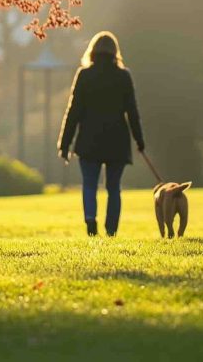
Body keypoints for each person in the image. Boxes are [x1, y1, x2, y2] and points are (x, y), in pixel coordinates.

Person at [57, 31, 145, 237]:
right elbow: (132, 111)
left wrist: (64, 143)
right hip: (117, 140)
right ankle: (111, 229)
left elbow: (74, 110)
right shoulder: (123, 76)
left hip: (89, 140)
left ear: (93, 51)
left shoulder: (85, 75)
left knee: (89, 184)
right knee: (114, 188)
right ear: (115, 52)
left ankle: (90, 222)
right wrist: (139, 140)